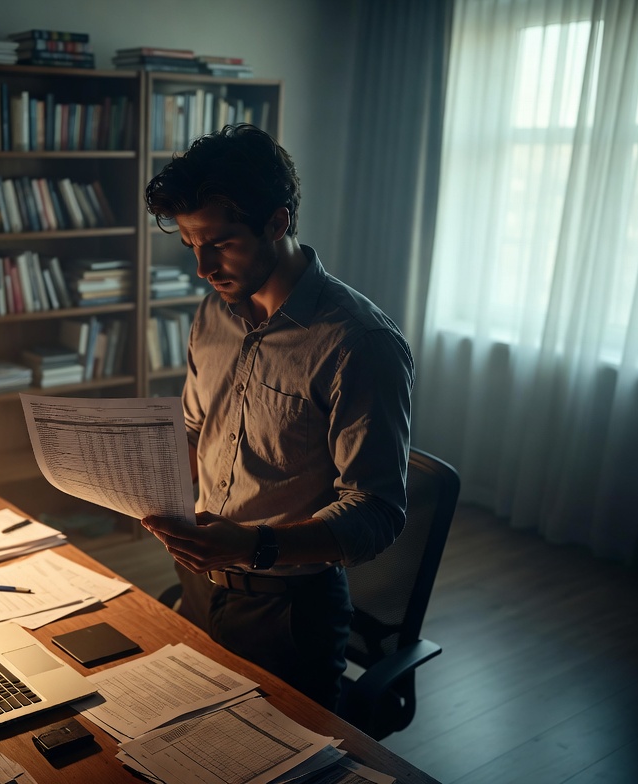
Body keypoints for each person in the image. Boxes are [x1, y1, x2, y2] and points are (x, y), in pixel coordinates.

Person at [140, 124, 414, 710]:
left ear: (277, 223)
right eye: (191, 245)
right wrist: (143, 485)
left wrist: (254, 546)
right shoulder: (213, 313)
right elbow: (196, 431)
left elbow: (378, 513)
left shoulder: (358, 344)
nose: (203, 266)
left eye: (220, 242)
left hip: (288, 609)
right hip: (198, 580)